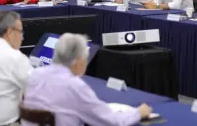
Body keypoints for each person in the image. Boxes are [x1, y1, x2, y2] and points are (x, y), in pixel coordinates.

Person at [21, 33, 152, 126]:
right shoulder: (75, 86)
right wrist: (138, 113)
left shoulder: (35, 74)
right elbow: (111, 121)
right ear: (77, 62)